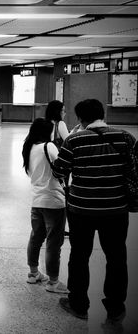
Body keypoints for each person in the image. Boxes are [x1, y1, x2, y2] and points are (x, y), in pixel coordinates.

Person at [52, 99, 136, 322]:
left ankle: (79, 304)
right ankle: (116, 307)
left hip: (81, 209)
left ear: (80, 118)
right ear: (103, 114)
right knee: (116, 256)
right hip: (116, 208)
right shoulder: (125, 137)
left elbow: (59, 170)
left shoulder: (75, 139)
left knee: (80, 255)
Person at [21, 118, 68, 294]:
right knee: (53, 243)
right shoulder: (49, 147)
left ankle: (33, 274)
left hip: (37, 200)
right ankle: (53, 282)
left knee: (36, 237)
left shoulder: (29, 148)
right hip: (53, 201)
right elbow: (62, 167)